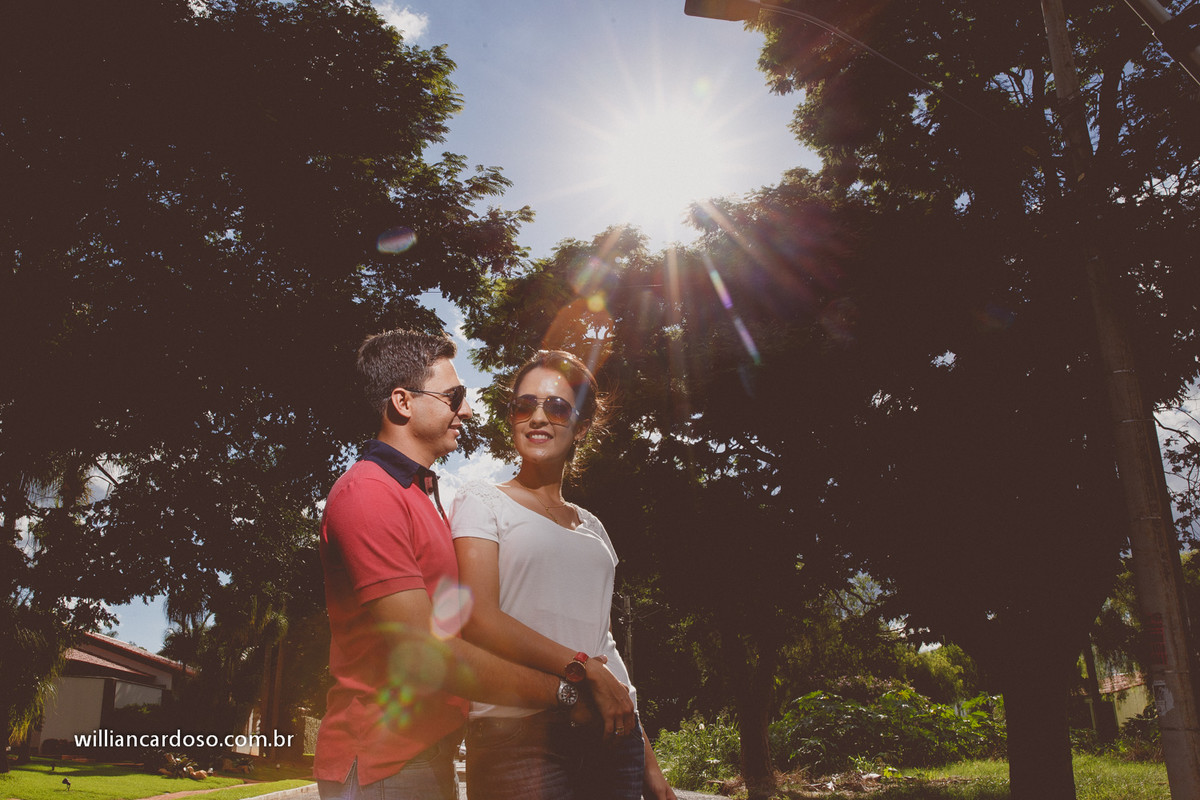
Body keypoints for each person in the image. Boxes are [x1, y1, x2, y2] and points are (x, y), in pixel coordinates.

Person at [315, 330, 619, 800]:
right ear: (402, 401)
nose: (469, 410)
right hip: (384, 764)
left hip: (426, 757)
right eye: (454, 396)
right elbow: (424, 655)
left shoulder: (424, 495)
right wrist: (565, 692)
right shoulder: (369, 494)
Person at [451, 349, 677, 800]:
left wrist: (648, 760)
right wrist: (582, 670)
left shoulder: (594, 528)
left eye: (556, 407)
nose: (537, 418)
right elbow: (479, 617)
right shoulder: (480, 500)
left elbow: (604, 646)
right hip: (516, 739)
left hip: (612, 740)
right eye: (524, 405)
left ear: (582, 427)